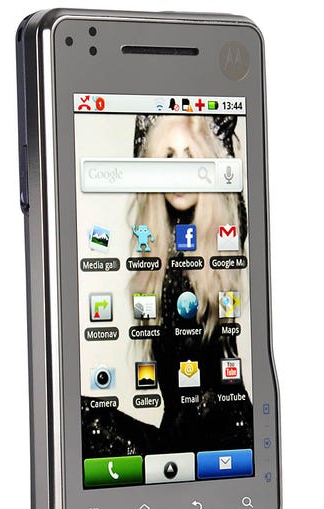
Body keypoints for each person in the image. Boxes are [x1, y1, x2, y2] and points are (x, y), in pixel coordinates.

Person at [81, 114, 253, 458]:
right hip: (177, 437)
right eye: (168, 158)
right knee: (78, 416)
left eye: (190, 157)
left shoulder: (220, 240)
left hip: (227, 437)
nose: (178, 172)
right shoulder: (157, 252)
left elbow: (230, 194)